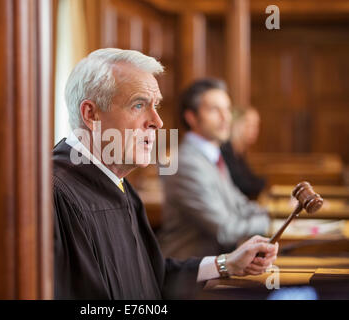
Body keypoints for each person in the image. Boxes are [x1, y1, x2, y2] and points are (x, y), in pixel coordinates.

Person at [53, 50, 278, 299]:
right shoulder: (54, 193)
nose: (157, 121)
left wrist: (227, 264)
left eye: (156, 105)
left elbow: (152, 276)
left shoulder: (118, 184)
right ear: (91, 114)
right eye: (139, 105)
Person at [158, 78, 270, 259]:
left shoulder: (211, 154)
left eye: (227, 109)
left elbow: (239, 205)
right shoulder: (183, 162)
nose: (225, 117)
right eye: (214, 110)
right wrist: (269, 222)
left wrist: (278, 214)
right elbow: (224, 230)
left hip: (221, 266)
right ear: (191, 117)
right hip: (192, 275)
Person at [221, 107, 266, 200]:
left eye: (256, 126)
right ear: (236, 125)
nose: (255, 131)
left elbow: (252, 180)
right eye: (250, 125)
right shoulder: (224, 150)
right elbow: (243, 186)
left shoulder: (239, 152)